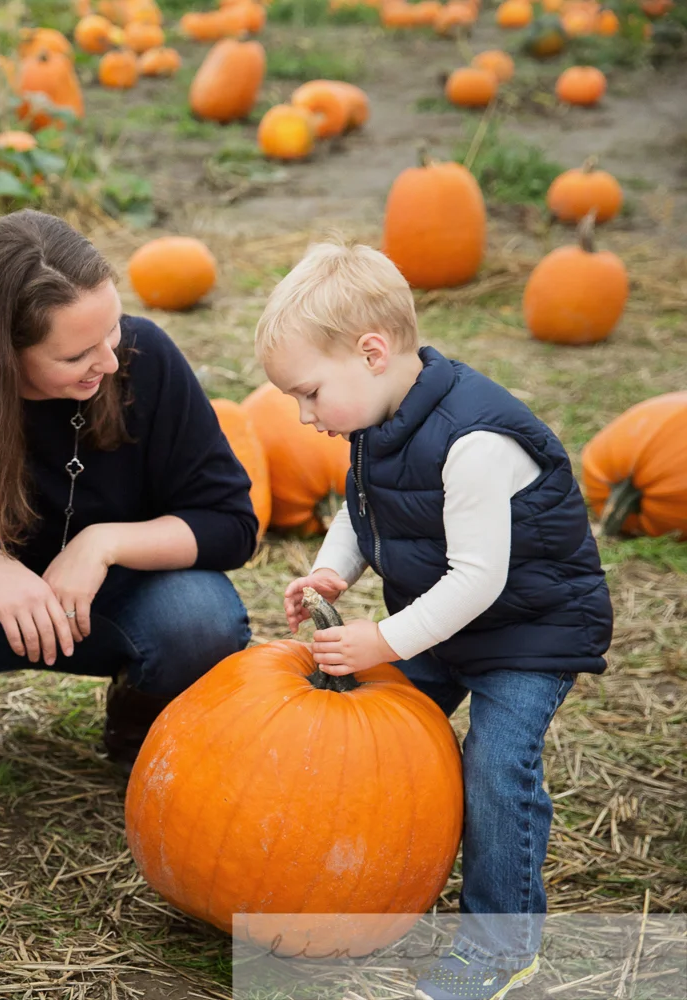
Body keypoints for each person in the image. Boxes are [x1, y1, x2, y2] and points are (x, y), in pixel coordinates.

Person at [261, 240, 612, 1000]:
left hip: (528, 634)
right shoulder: (376, 418)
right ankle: (357, 884)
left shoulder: (474, 442)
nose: (303, 415)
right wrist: (332, 571)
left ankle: (500, 945)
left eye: (309, 394)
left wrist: (383, 640)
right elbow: (361, 512)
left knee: (495, 766)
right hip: (447, 626)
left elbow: (479, 581)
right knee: (364, 737)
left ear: (372, 353)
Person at [0, 210, 257, 765]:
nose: (109, 361)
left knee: (201, 620)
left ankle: (142, 730)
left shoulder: (145, 359)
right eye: (76, 356)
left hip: (110, 601)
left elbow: (231, 523)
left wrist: (102, 545)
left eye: (112, 329)